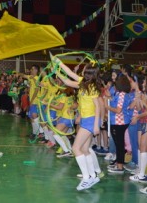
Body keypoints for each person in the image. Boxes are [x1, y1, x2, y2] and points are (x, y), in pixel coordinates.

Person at [53, 57, 102, 191]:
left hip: (91, 120)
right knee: (85, 150)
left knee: (76, 148)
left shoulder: (92, 87)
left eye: (85, 69)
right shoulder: (82, 82)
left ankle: (87, 178)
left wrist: (96, 125)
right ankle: (92, 176)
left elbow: (97, 107)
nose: (82, 70)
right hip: (86, 119)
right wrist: (58, 67)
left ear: (88, 73)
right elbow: (68, 78)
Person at [104, 75, 132, 174]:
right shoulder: (122, 94)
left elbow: (118, 110)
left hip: (119, 122)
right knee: (119, 144)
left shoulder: (121, 95)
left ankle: (120, 166)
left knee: (119, 144)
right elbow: (115, 103)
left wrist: (107, 107)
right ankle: (119, 163)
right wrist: (109, 97)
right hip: (118, 122)